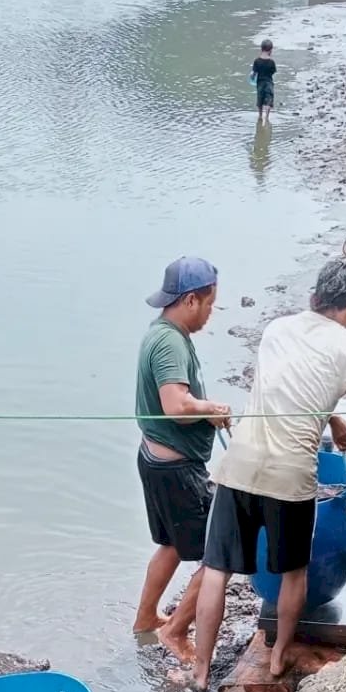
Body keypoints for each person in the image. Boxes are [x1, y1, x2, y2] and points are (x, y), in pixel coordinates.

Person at [187, 260, 346, 691]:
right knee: (293, 572)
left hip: (240, 467)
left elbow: (292, 388)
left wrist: (335, 423)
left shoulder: (276, 329)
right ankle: (279, 655)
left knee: (216, 569)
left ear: (314, 297)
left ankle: (199, 671)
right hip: (290, 475)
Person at [133, 256, 232, 662]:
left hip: (155, 459)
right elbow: (174, 405)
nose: (210, 314)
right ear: (191, 299)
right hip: (175, 470)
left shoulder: (160, 332)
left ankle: (145, 620)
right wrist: (209, 408)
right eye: (210, 304)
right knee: (220, 550)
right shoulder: (171, 341)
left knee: (173, 545)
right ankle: (176, 631)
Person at [252, 38, 277, 125]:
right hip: (269, 83)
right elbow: (273, 72)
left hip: (260, 83)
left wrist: (252, 77)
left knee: (260, 99)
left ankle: (260, 115)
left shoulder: (257, 61)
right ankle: (266, 117)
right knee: (269, 99)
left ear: (261, 49)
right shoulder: (271, 62)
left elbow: (254, 73)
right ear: (270, 50)